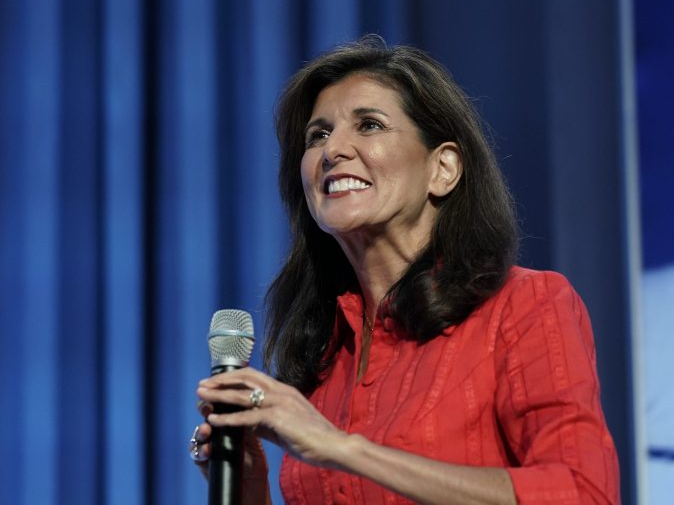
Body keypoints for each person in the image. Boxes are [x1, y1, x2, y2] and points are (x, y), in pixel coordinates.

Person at [190, 36, 620, 504]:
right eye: (318, 135)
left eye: (369, 125)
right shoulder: (324, 355)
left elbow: (582, 493)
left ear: (443, 169)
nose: (333, 150)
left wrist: (342, 448)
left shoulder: (524, 305)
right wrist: (251, 491)